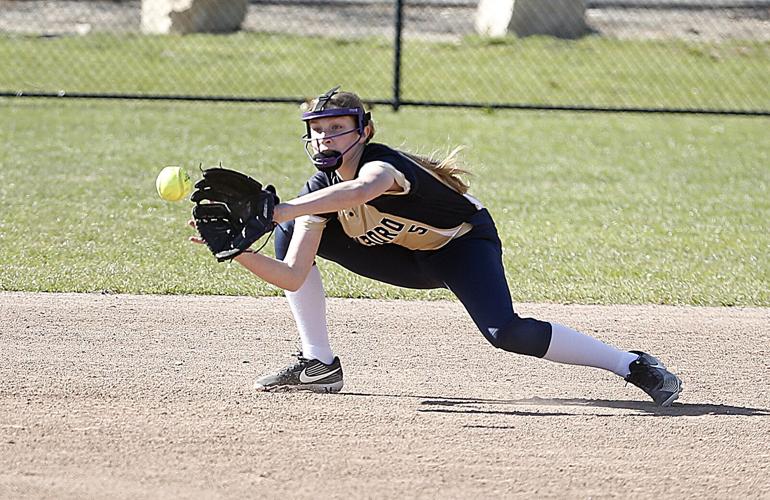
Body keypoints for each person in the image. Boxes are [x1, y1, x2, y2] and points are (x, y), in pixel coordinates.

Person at [190, 86, 683, 406]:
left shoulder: (382, 165)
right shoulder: (315, 194)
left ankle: (632, 364)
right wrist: (237, 253)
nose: (325, 138)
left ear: (364, 130)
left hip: (459, 247)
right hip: (398, 257)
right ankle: (319, 363)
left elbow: (363, 191)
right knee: (289, 236)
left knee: (505, 331)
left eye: (338, 127)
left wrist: (281, 210)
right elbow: (294, 276)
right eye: (317, 130)